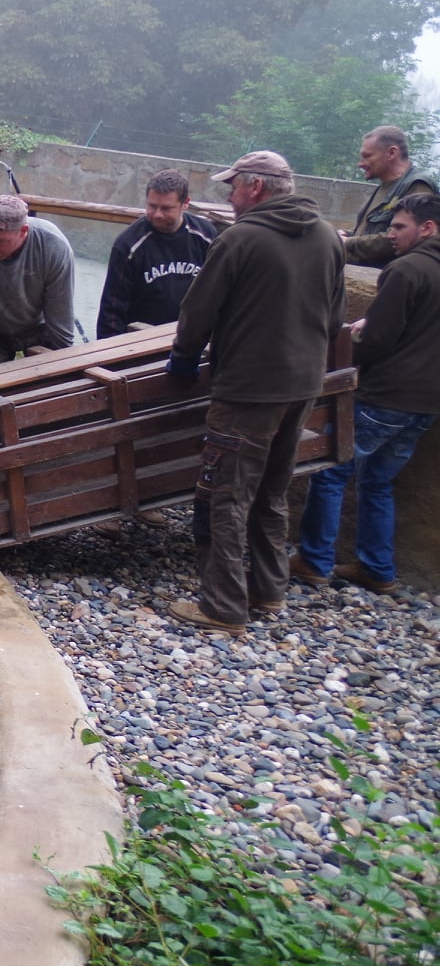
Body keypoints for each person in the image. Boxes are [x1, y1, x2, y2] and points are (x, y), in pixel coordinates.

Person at [166, 151, 346, 634]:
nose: (228, 196)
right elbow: (333, 320)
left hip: (247, 391)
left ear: (256, 188)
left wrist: (183, 358)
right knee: (272, 490)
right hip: (304, 386)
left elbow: (198, 311)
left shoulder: (239, 239)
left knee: (226, 495)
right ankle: (269, 592)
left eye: (233, 187)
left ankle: (223, 607)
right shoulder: (329, 237)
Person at [294, 191, 440, 594]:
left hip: (384, 398)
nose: (390, 235)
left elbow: (379, 341)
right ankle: (378, 568)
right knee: (378, 483)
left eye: (399, 226)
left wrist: (358, 338)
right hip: (427, 406)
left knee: (330, 471)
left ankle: (313, 559)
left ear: (427, 228)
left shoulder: (407, 270)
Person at [0, 194, 79, 373]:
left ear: (24, 231)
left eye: (2, 241)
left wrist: (65, 370)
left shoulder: (53, 246)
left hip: (39, 328)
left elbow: (60, 315)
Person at [96, 168, 218, 338]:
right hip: (141, 340)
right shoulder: (129, 244)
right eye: (152, 206)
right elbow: (111, 311)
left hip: (191, 340)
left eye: (166, 208)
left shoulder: (206, 236)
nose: (157, 214)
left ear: (185, 203)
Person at [344, 125, 436, 267]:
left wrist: (349, 243)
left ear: (391, 153)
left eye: (367, 156)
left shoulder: (417, 186)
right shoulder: (385, 186)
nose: (360, 164)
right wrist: (347, 235)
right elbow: (372, 231)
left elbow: (404, 236)